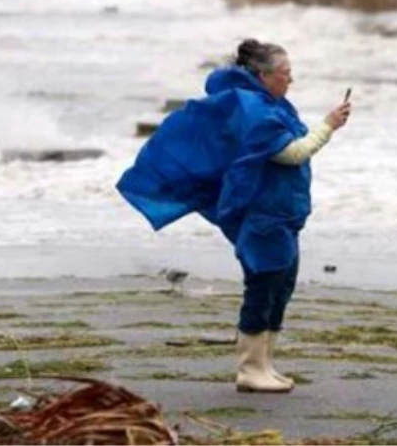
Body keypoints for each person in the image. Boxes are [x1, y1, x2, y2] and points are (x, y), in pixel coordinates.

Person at [117, 39, 351, 394]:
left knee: (281, 286)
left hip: (283, 212)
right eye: (285, 73)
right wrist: (329, 125)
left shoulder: (272, 104)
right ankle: (250, 369)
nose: (291, 79)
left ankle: (265, 364)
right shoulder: (256, 109)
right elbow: (293, 153)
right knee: (263, 285)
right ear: (263, 76)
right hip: (264, 215)